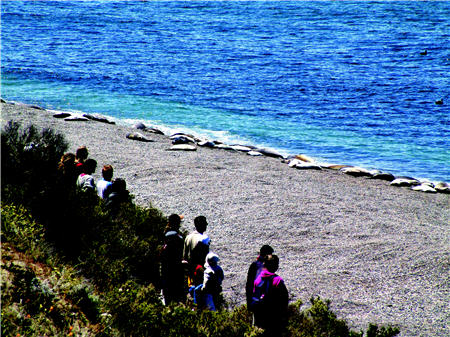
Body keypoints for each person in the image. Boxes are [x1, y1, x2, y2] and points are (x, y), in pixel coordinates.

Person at [252, 254, 289, 336]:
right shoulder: (277, 280)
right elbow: (284, 300)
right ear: (275, 265)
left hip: (259, 318)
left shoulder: (257, 279)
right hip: (274, 320)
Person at [160, 214, 186, 305]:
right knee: (176, 295)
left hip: (166, 271)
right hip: (175, 271)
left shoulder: (166, 234)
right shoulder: (175, 237)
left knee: (168, 295)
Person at [183, 216, 210, 286]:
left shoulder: (188, 237)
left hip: (190, 270)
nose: (207, 224)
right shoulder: (204, 238)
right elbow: (206, 256)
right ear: (201, 224)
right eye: (205, 223)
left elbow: (184, 256)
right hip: (200, 270)